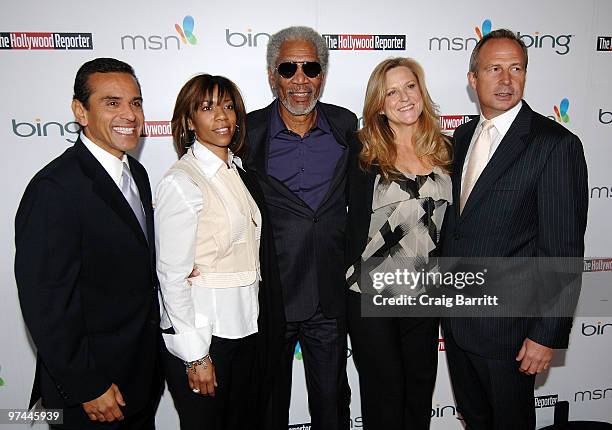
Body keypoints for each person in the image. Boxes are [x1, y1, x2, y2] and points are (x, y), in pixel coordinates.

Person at [440, 29, 588, 429]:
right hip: (458, 324)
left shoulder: (555, 144)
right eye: (494, 69)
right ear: (473, 79)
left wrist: (546, 333)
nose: (506, 80)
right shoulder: (463, 135)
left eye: (516, 68)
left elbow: (563, 249)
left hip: (510, 331)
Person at [14, 58, 161, 429]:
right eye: (112, 103)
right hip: (93, 393)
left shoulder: (136, 174)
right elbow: (46, 303)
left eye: (136, 102)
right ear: (81, 111)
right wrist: (86, 385)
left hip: (139, 379)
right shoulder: (55, 189)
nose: (129, 114)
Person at [155, 74, 283, 430]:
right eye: (207, 107)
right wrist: (196, 355)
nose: (223, 117)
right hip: (207, 337)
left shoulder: (239, 171)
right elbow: (172, 277)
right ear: (189, 120)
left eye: (228, 106)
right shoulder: (182, 181)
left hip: (246, 329)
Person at [245, 26, 357, 430]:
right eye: (288, 68)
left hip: (328, 298)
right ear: (272, 74)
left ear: (322, 75)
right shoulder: (247, 131)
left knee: (332, 406)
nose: (300, 80)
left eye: (310, 68)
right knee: (268, 405)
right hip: (270, 298)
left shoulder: (346, 127)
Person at [345, 57, 452, 430]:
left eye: (410, 86)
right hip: (373, 295)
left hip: (425, 295)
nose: (403, 97)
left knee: (419, 396)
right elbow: (339, 223)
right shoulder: (361, 153)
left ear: (421, 91)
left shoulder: (447, 151)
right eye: (392, 91)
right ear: (379, 103)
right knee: (385, 398)